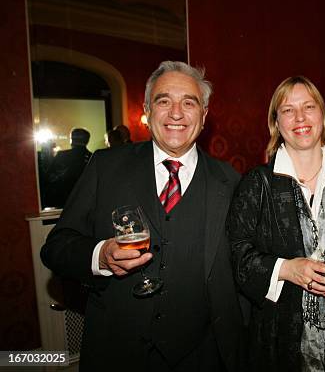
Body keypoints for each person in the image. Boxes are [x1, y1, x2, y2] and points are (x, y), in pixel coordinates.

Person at [41, 61, 245, 371]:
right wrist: (100, 255)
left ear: (203, 116)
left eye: (188, 102)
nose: (176, 113)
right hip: (117, 350)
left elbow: (245, 264)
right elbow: (56, 247)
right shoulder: (105, 166)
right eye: (164, 101)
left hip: (201, 355)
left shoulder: (230, 181)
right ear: (147, 110)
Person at [227, 76, 325, 371]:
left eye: (308, 107)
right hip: (281, 342)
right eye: (288, 110)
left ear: (323, 116)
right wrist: (287, 269)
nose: (300, 117)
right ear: (276, 123)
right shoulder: (257, 184)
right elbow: (238, 257)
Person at [43, 127, 92, 208]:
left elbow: (48, 177)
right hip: (86, 202)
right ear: (87, 141)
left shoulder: (62, 155)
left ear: (71, 140)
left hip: (63, 201)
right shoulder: (92, 157)